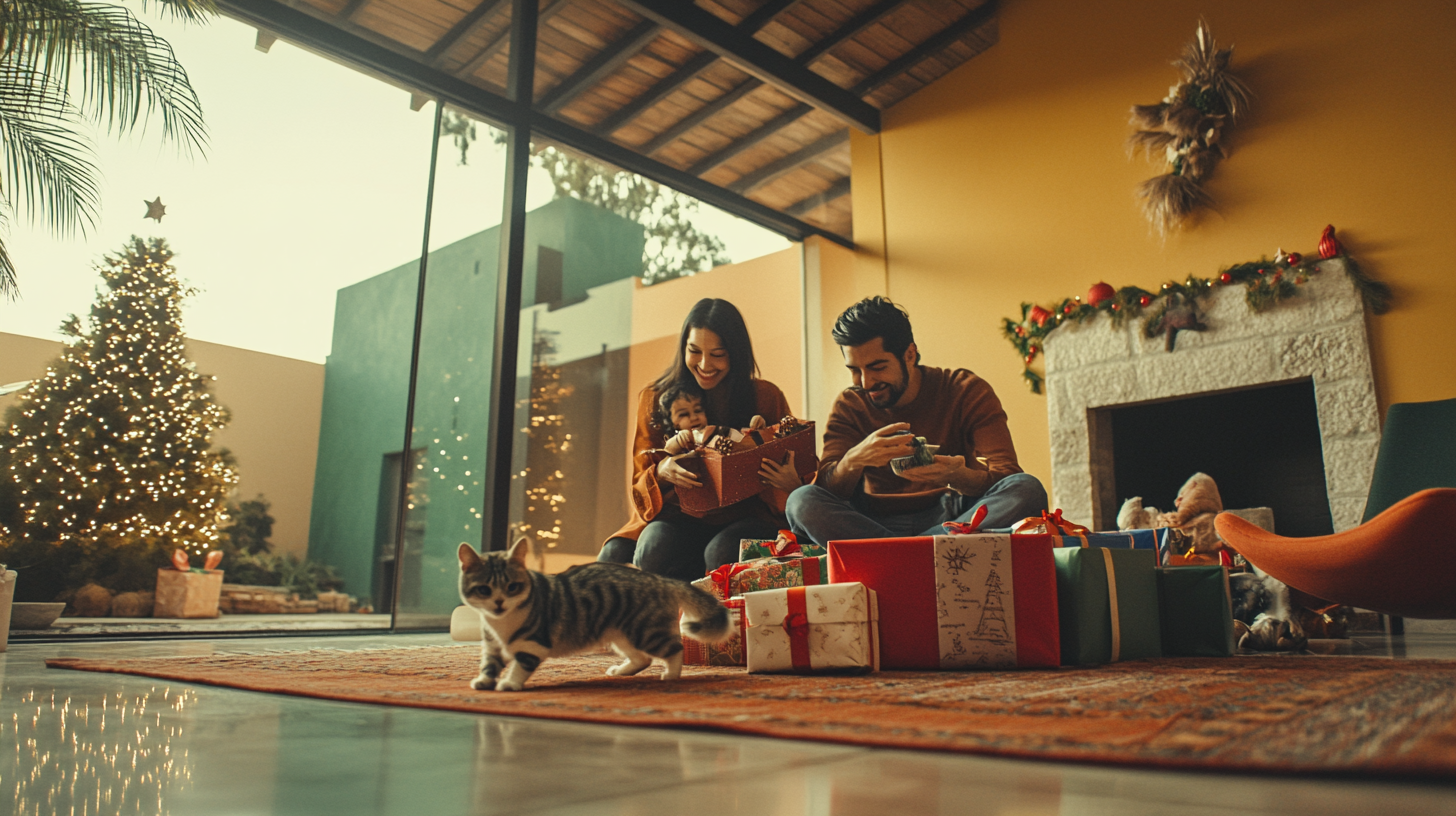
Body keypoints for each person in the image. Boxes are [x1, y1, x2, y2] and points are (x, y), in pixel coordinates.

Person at [786, 296, 1046, 546]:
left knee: (1027, 489)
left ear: (909, 354)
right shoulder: (850, 405)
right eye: (854, 370)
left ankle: (896, 553)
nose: (865, 383)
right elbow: (827, 490)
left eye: (877, 367)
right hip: (870, 522)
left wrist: (959, 476)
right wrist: (854, 460)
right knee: (800, 501)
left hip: (953, 517)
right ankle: (924, 551)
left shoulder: (964, 390)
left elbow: (1008, 474)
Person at [599, 298, 807, 581]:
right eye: (694, 351)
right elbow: (639, 480)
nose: (705, 365)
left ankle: (713, 620)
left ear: (736, 353)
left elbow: (795, 463)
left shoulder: (765, 396)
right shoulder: (656, 398)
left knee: (721, 552)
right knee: (646, 548)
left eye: (718, 354)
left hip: (746, 515)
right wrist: (661, 470)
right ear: (683, 347)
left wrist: (769, 462)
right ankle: (662, 623)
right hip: (677, 515)